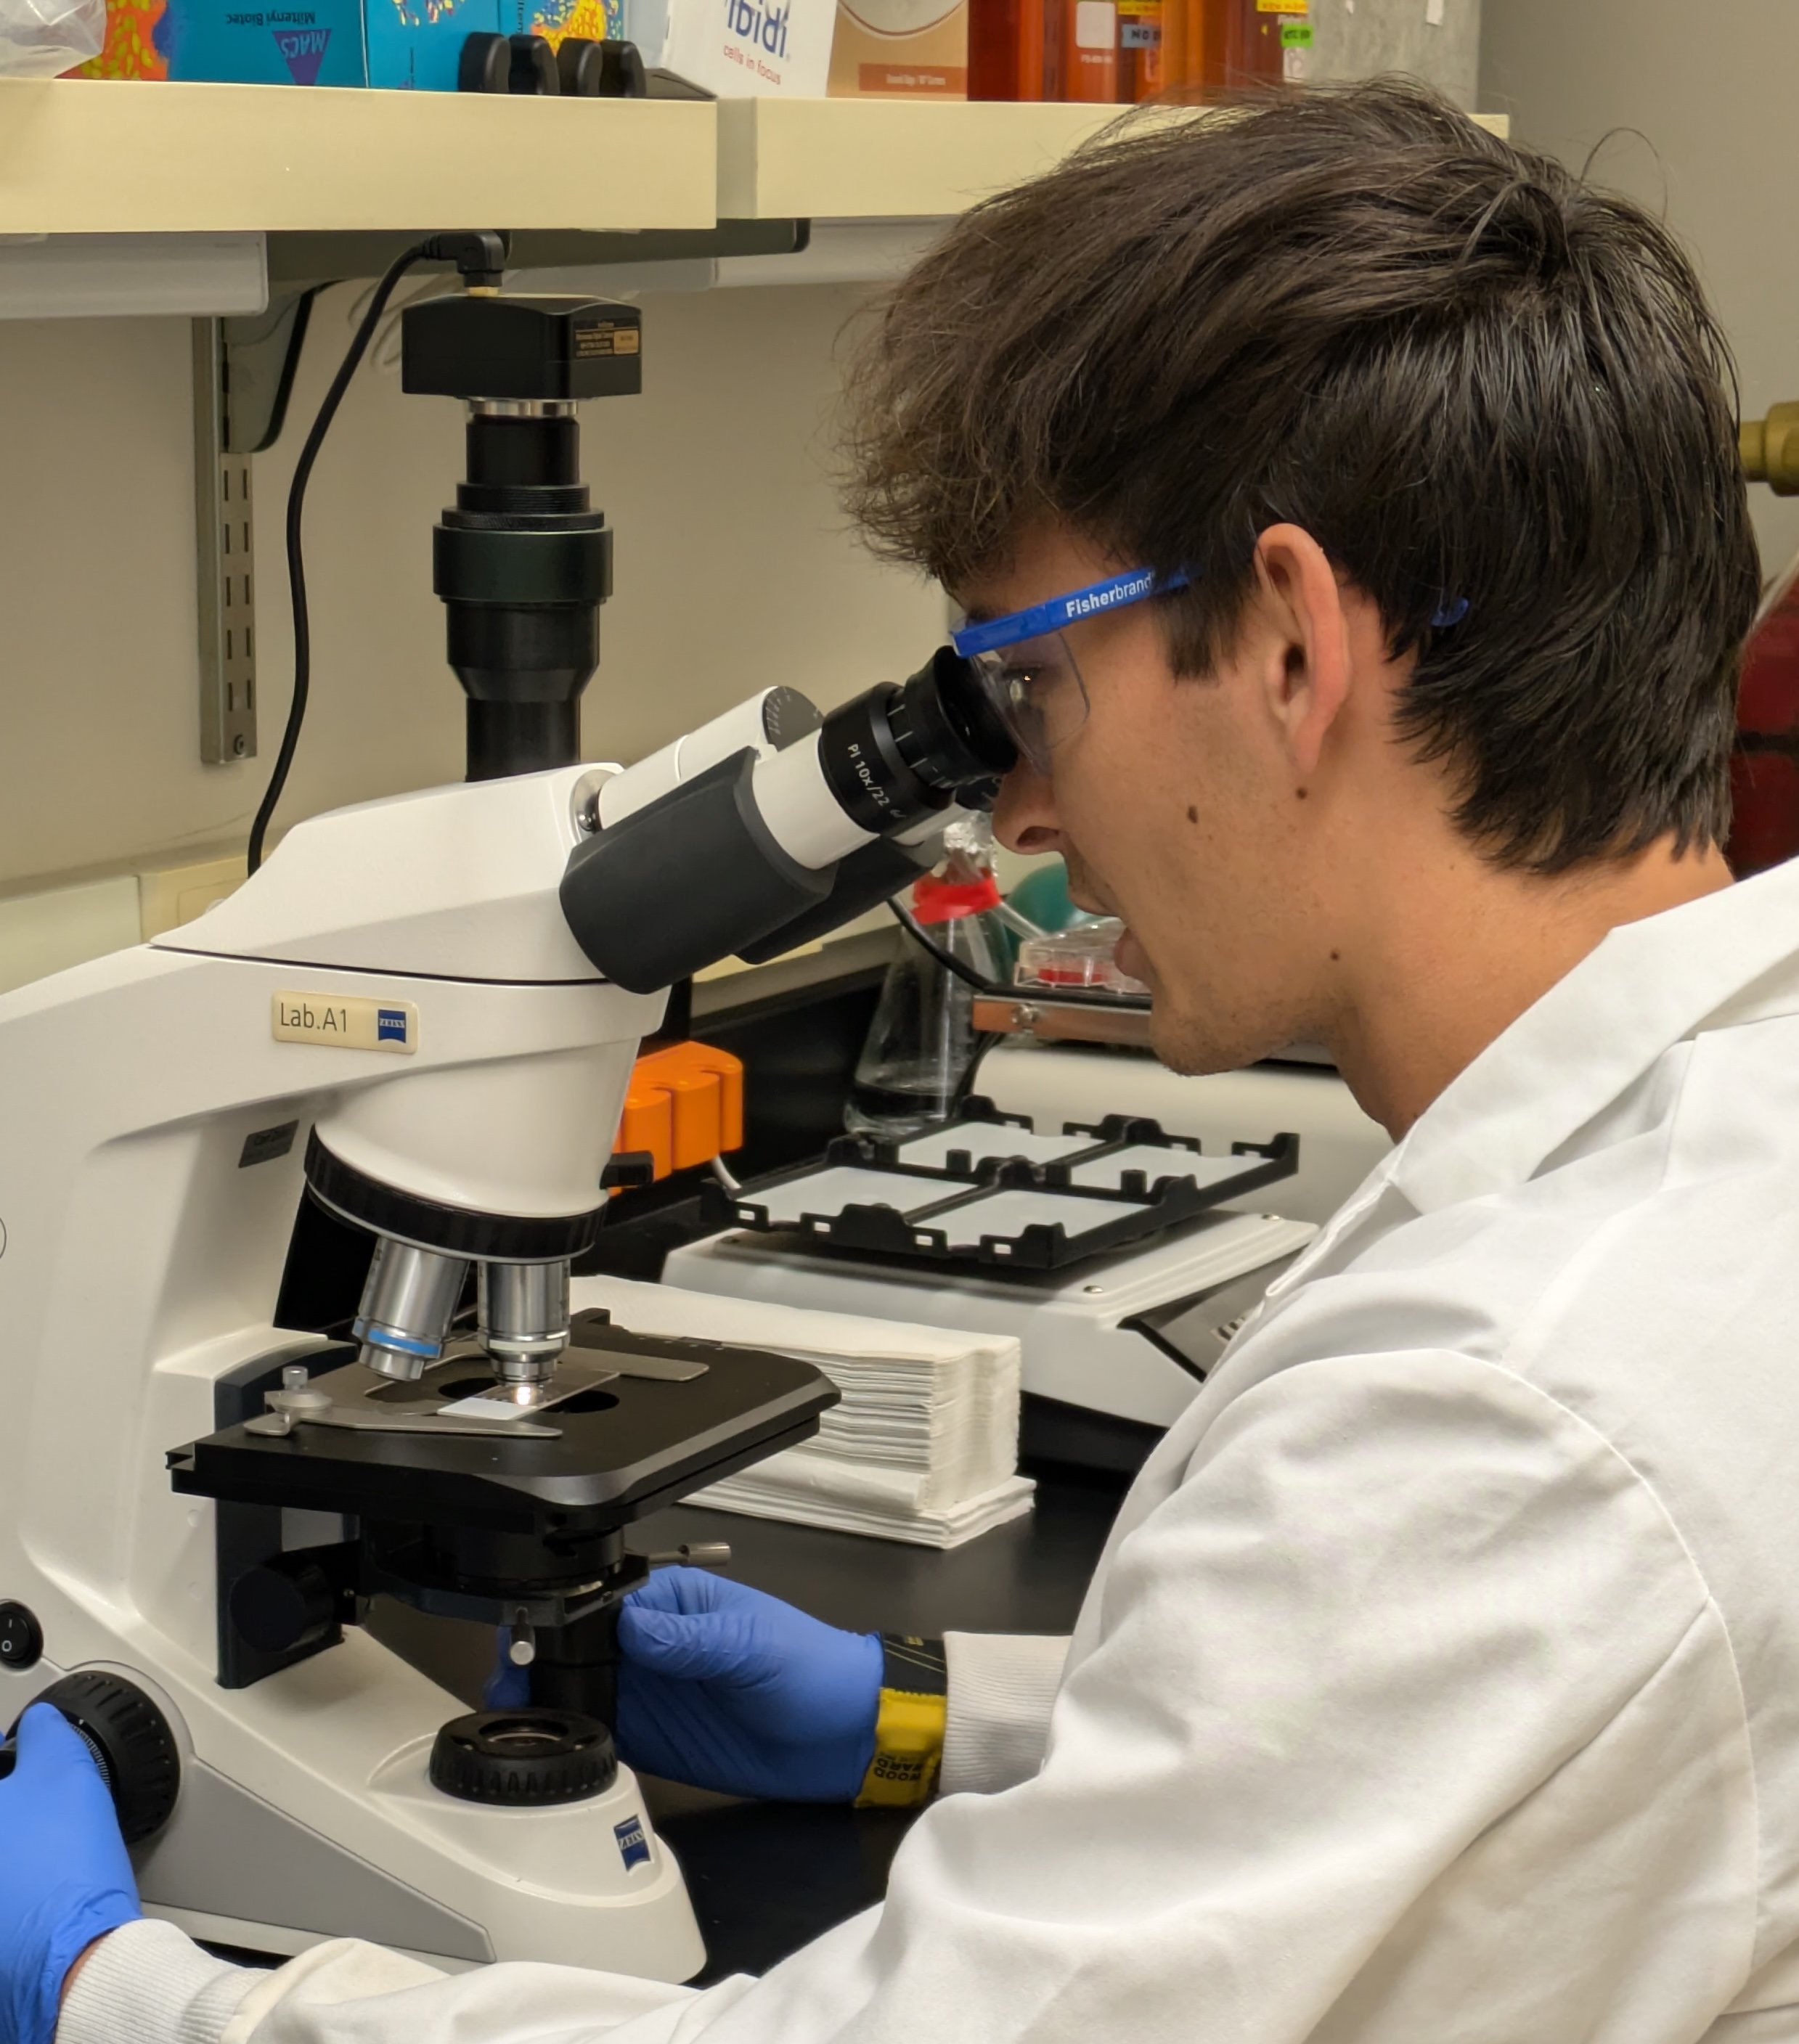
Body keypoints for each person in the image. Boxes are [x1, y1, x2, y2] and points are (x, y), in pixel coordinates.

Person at [4, 75, 1791, 2044]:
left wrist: (116, 1993)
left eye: (1024, 688)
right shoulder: (1712, 1166)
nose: (1013, 814)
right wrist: (920, 1722)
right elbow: (1372, 1761)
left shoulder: (1504, 1418)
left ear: (1290, 647)